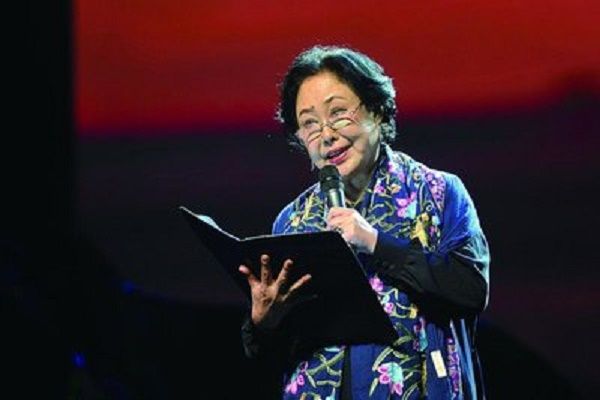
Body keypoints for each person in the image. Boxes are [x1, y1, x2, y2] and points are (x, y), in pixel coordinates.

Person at [238, 45, 490, 400]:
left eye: (338, 113)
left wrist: (374, 242)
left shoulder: (437, 192)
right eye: (309, 123)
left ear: (377, 110)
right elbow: (275, 357)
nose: (326, 134)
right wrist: (265, 322)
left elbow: (470, 290)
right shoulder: (292, 220)